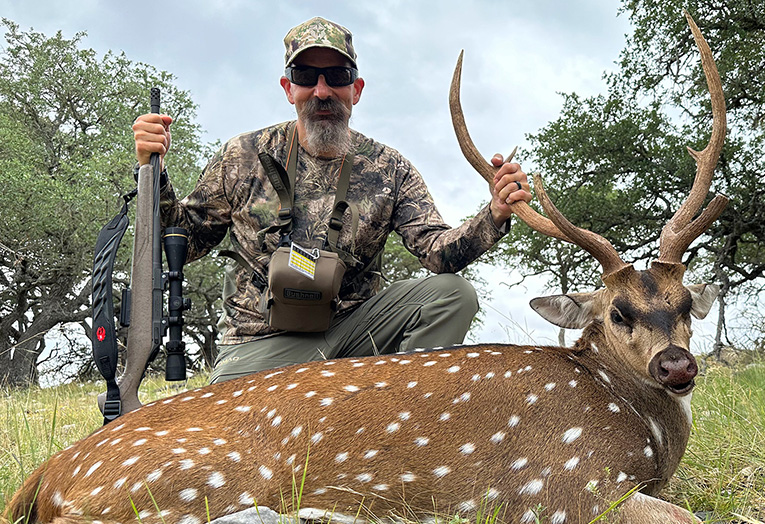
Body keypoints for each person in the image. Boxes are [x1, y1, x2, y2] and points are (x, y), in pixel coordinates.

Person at [132, 17, 532, 384]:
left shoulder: (390, 168)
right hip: (261, 343)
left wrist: (495, 213)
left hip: (356, 337)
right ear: (289, 88)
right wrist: (155, 171)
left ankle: (396, 413)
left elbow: (438, 255)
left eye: (337, 76)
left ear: (355, 89)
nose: (322, 91)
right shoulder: (243, 154)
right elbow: (184, 243)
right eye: (306, 75)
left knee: (453, 294)